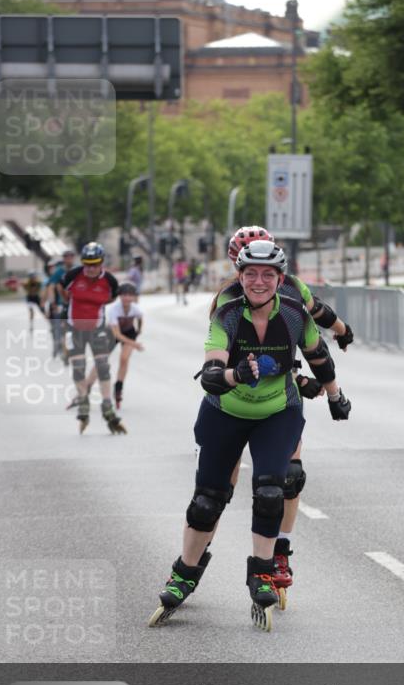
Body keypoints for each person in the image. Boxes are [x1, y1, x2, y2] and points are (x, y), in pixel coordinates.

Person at [149, 238, 351, 632]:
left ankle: (261, 570)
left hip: (278, 411)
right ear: (239, 276)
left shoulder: (294, 312)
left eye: (268, 275)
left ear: (280, 278)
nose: (259, 281)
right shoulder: (226, 314)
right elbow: (210, 374)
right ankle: (185, 573)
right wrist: (235, 374)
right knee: (207, 502)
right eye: (251, 274)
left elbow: (318, 357)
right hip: (226, 411)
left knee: (274, 488)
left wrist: (334, 396)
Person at [218, 225, 355, 596]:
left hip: (282, 388)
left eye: (268, 270)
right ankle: (195, 556)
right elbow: (228, 359)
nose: (258, 280)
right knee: (216, 492)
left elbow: (317, 318)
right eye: (245, 267)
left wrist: (342, 331)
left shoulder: (291, 286)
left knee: (289, 478)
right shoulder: (227, 300)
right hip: (238, 394)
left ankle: (279, 551)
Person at [59, 241, 125, 435]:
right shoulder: (73, 276)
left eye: (95, 264)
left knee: (103, 367)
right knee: (78, 369)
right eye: (87, 263)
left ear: (102, 262)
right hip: (74, 329)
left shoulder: (110, 281)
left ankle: (107, 406)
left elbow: (112, 297)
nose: (90, 268)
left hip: (97, 329)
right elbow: (62, 289)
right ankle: (84, 405)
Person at [106, 283, 144, 408]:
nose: (127, 298)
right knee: (102, 360)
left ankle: (118, 388)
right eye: (124, 295)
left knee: (124, 359)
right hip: (113, 333)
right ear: (119, 296)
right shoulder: (114, 310)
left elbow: (140, 317)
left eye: (130, 295)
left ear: (134, 297)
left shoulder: (135, 308)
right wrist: (134, 344)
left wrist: (139, 330)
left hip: (129, 332)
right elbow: (116, 334)